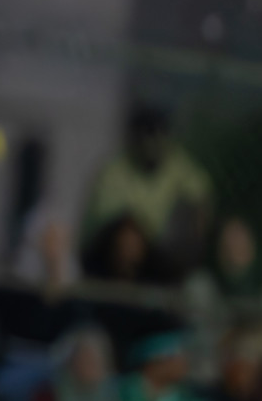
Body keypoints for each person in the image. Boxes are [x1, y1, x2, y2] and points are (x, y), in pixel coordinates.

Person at [85, 106, 212, 282]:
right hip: (113, 256)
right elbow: (106, 223)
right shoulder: (115, 169)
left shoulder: (177, 163)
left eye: (158, 139)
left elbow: (201, 195)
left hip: (159, 254)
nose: (152, 147)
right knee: (128, 239)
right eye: (147, 139)